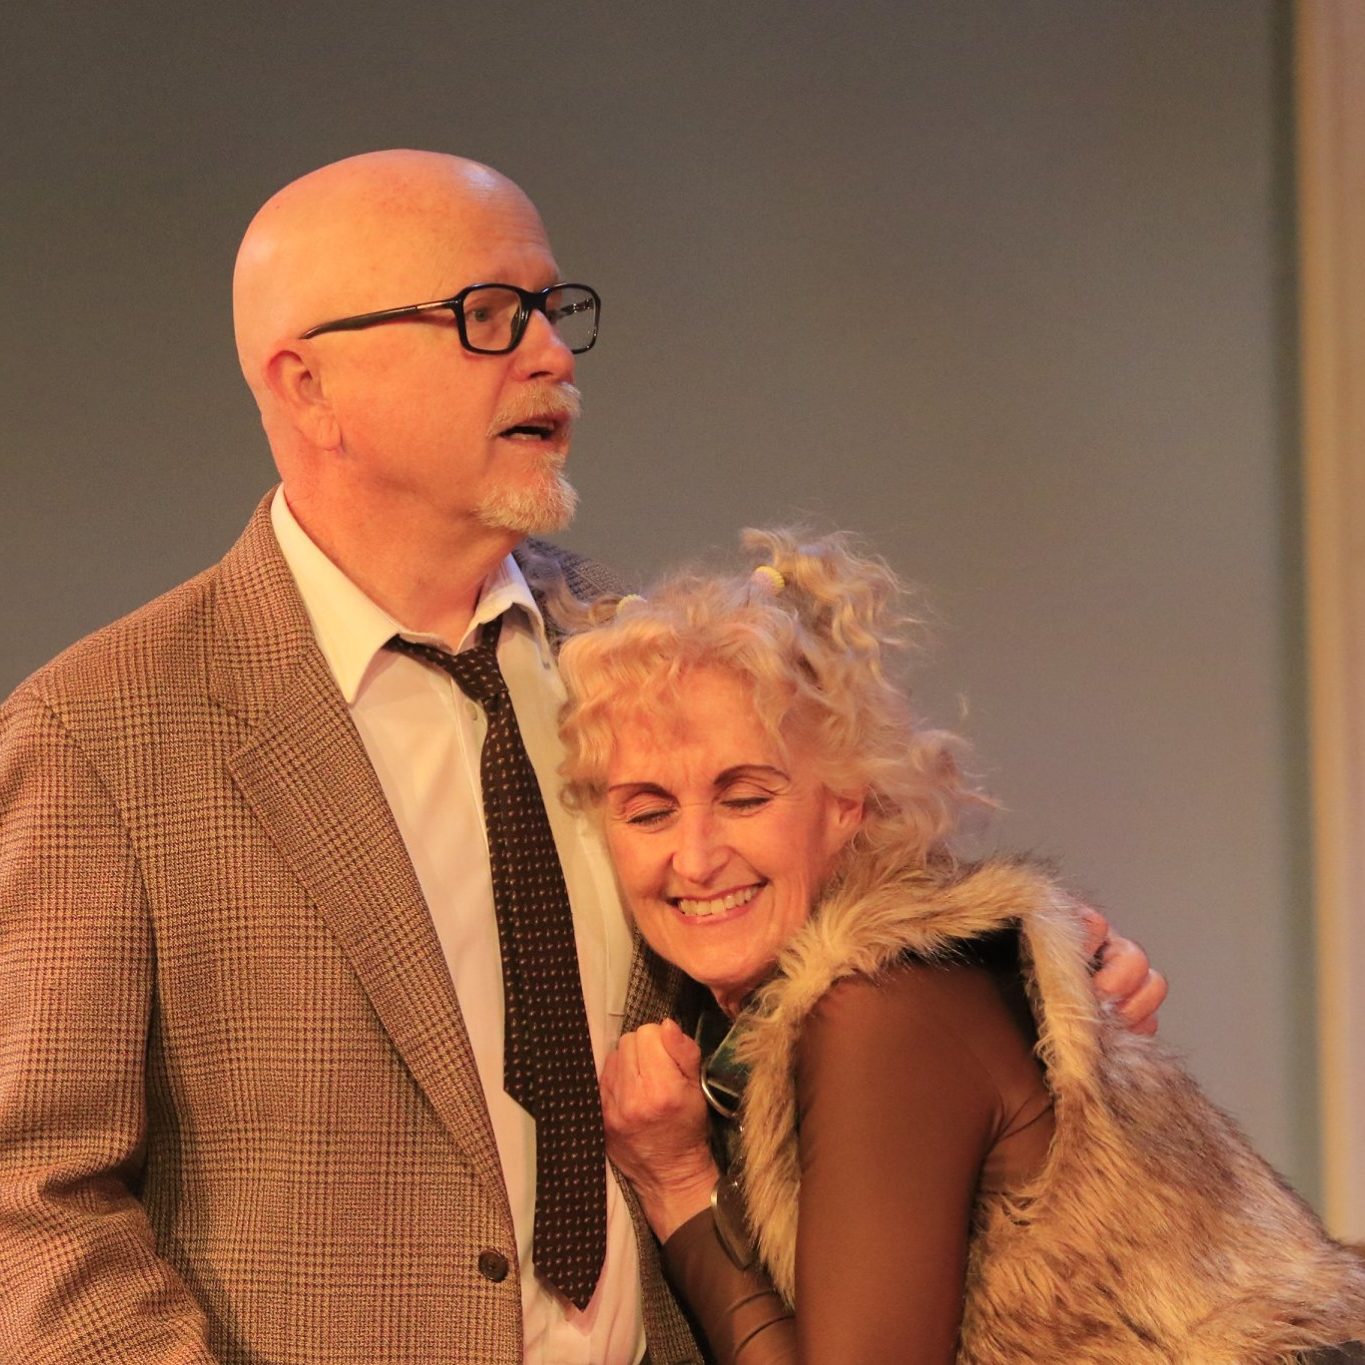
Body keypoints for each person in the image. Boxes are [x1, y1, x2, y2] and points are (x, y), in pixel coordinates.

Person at [0, 150, 1164, 1364]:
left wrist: (1041, 966)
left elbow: (851, 929)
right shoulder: (106, 736)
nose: (552, 356)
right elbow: (30, 1202)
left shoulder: (639, 659)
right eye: (487, 316)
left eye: (553, 311)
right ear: (310, 386)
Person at [555, 529, 1365, 1364]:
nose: (693, 858)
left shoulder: (881, 1002)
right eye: (649, 812)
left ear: (846, 799)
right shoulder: (804, 1010)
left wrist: (679, 1185)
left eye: (745, 797)